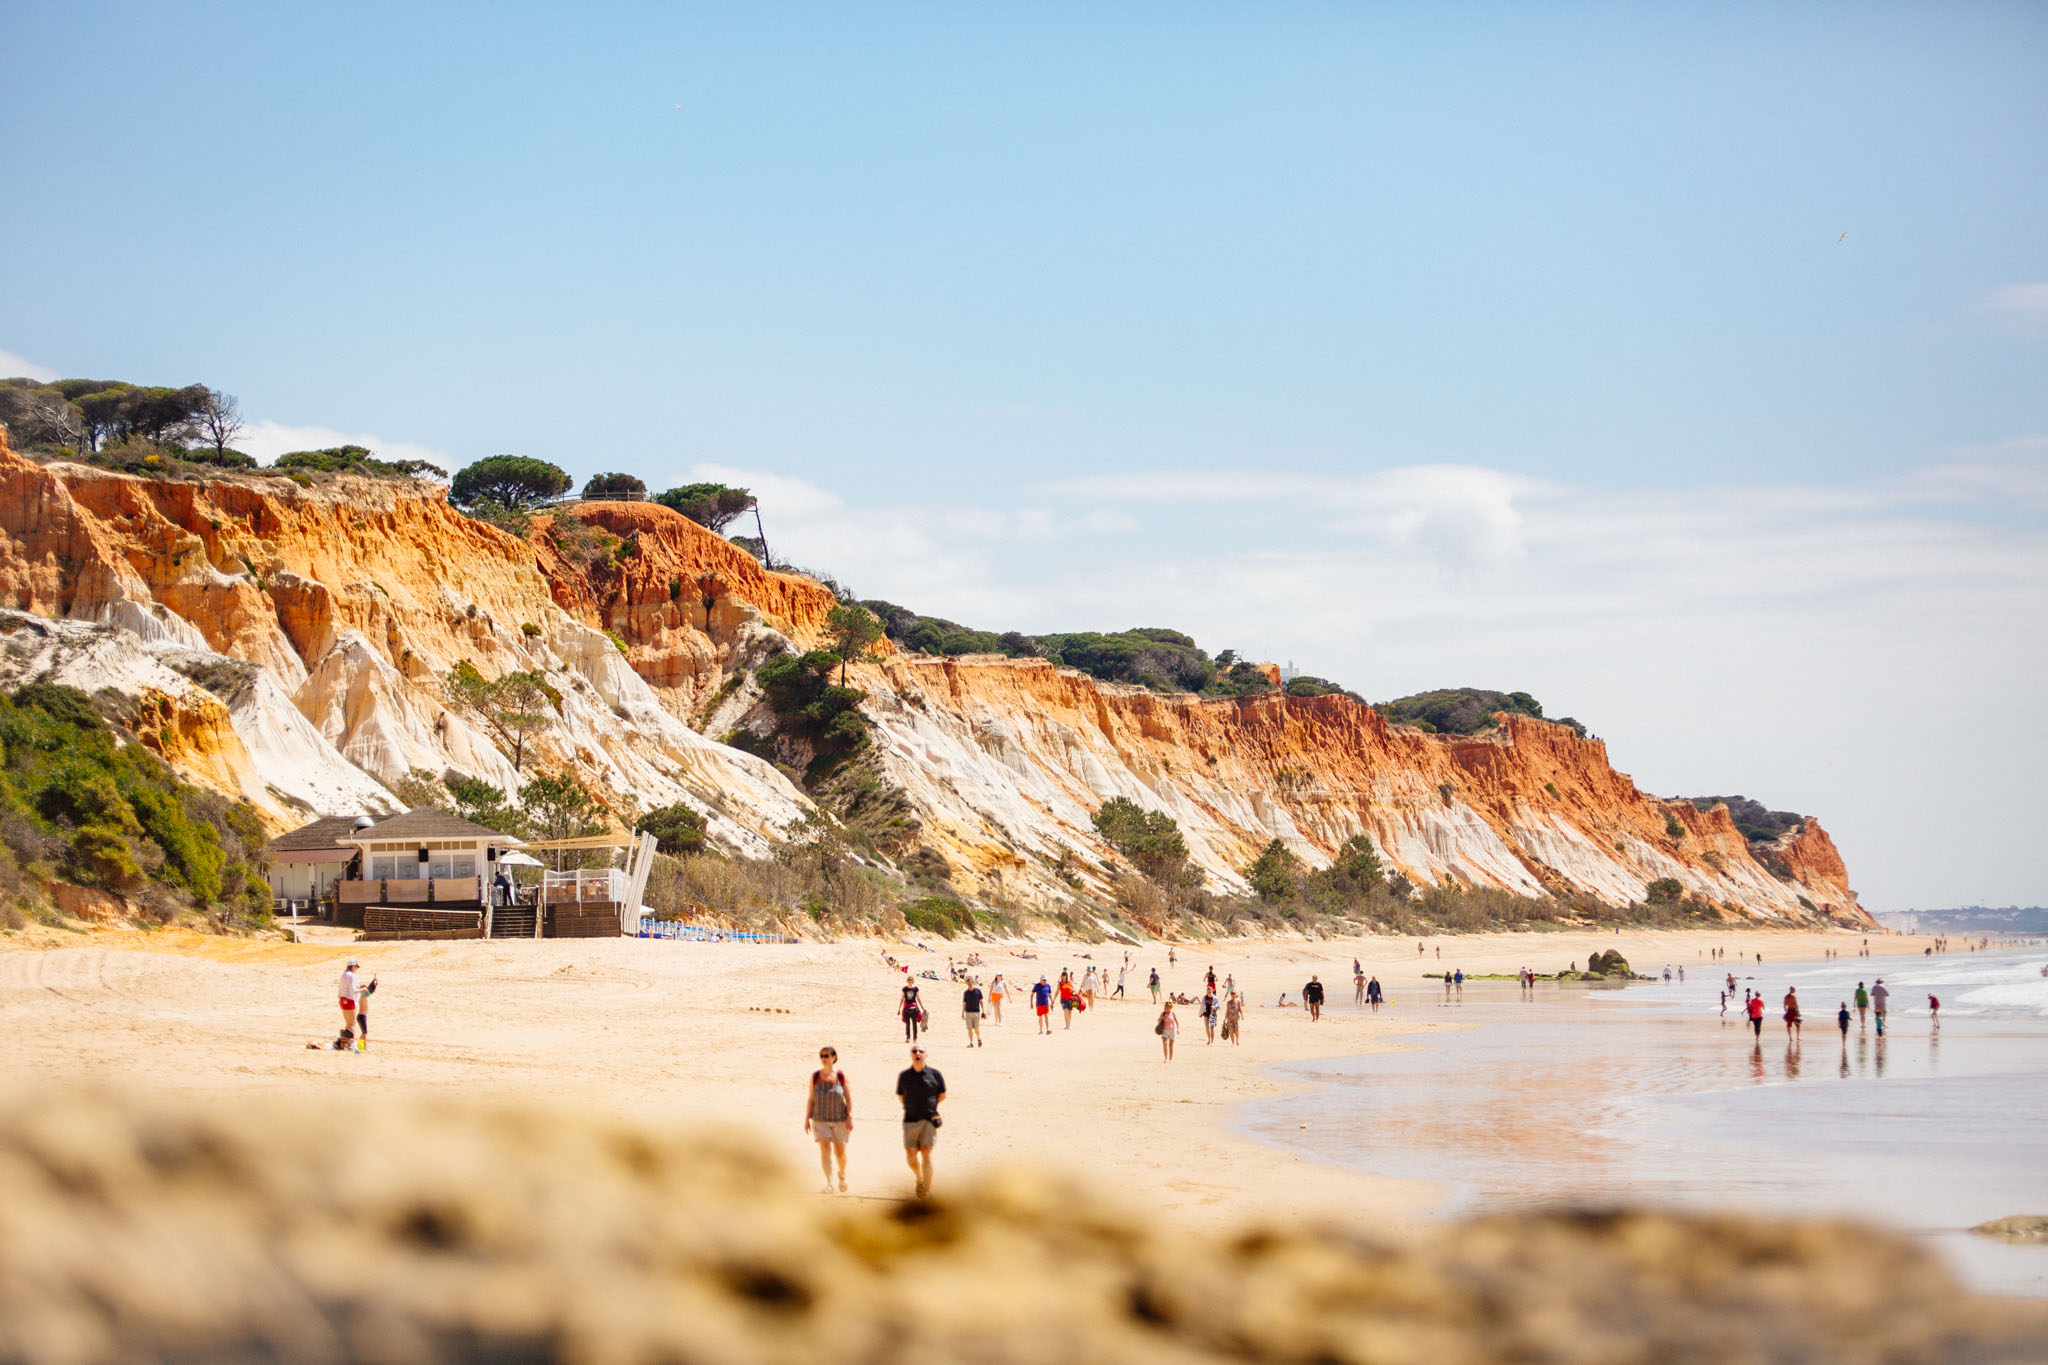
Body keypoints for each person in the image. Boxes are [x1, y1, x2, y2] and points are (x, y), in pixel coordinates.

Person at [895, 1046, 945, 1199]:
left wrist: (931, 1107)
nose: (917, 1054)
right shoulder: (904, 1076)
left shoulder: (935, 1074)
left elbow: (942, 1094)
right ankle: (919, 1178)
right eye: (914, 1051)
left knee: (926, 1153)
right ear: (911, 1055)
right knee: (911, 1155)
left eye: (921, 1051)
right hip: (910, 1119)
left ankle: (926, 1188)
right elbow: (901, 1095)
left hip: (929, 1119)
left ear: (926, 1055)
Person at [804, 1046, 853, 1193]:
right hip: (820, 1119)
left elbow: (848, 1099)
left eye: (826, 1056)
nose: (824, 1059)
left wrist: (849, 1117)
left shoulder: (840, 1076)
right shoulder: (815, 1077)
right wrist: (807, 1119)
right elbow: (811, 1099)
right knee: (825, 1149)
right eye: (822, 1056)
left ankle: (842, 1174)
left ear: (834, 1058)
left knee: (840, 1153)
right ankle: (829, 1183)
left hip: (839, 1119)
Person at [337, 958, 362, 1044]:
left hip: (342, 1000)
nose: (356, 969)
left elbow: (341, 989)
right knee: (352, 1024)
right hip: (349, 1000)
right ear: (352, 966)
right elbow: (352, 990)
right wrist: (363, 990)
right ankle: (353, 1045)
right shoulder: (351, 975)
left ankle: (343, 1042)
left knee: (348, 1023)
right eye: (356, 967)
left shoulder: (343, 974)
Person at [353, 972, 378, 1052]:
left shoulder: (363, 996)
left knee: (365, 1033)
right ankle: (358, 1047)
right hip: (361, 1016)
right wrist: (374, 983)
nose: (367, 990)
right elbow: (370, 990)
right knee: (364, 1033)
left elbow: (370, 990)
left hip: (362, 1016)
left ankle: (364, 1047)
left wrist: (374, 981)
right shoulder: (363, 996)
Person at [962, 980, 984, 1047]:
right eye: (968, 983)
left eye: (970, 983)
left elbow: (981, 1001)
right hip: (968, 1012)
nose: (969, 984)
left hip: (976, 1012)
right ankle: (971, 1042)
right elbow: (964, 1003)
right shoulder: (966, 993)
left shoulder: (978, 991)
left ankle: (979, 1038)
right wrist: (962, 1013)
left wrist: (983, 1011)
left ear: (972, 982)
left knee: (976, 1028)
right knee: (969, 1028)